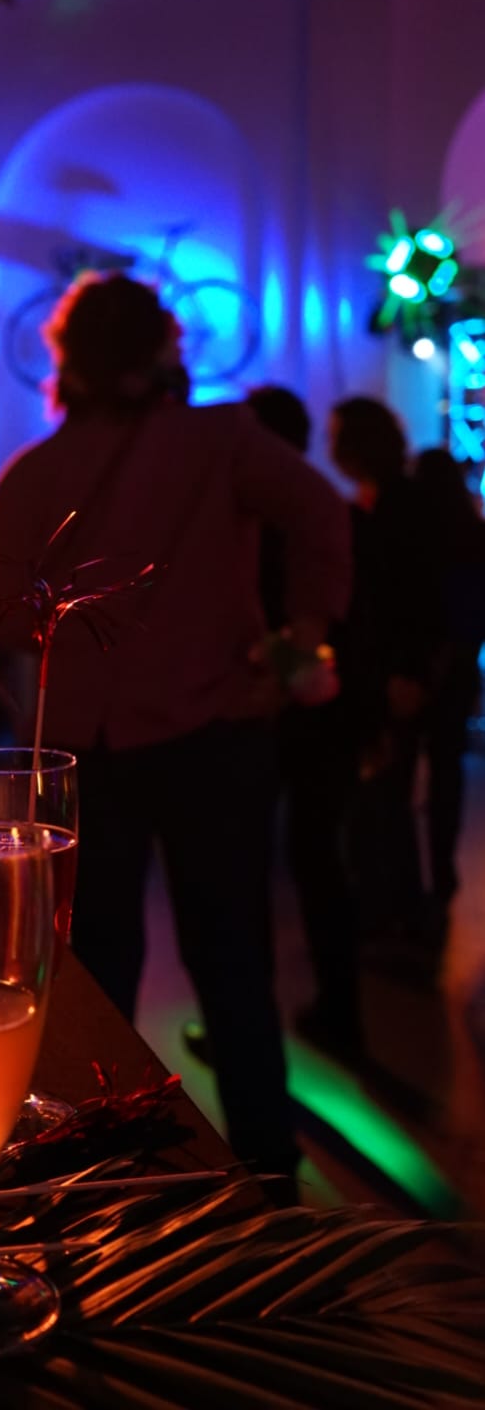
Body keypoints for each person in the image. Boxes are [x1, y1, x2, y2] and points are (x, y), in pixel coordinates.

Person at [0, 273, 351, 1181]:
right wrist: (297, 640)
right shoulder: (219, 440)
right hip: (215, 730)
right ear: (162, 349)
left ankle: (113, 1168)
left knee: (100, 967)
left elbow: (9, 625)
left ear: (68, 361)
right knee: (232, 959)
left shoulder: (31, 476)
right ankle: (265, 1166)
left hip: (89, 749)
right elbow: (321, 516)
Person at [246, 386, 362, 1059]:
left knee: (253, 871)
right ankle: (338, 1011)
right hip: (325, 714)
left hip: (271, 715)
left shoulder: (257, 523)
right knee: (320, 864)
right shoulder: (330, 512)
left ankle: (253, 1029)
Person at [328, 397, 438, 942]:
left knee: (385, 799)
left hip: (393, 674)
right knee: (386, 798)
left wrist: (404, 673)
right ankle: (399, 916)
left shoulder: (394, 508)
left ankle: (394, 919)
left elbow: (407, 599)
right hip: (393, 672)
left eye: (336, 436)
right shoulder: (395, 502)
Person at [411, 447, 485, 926]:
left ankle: (406, 881)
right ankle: (442, 870)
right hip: (457, 669)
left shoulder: (414, 541)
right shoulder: (473, 537)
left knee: (401, 771)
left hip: (415, 668)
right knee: (446, 768)